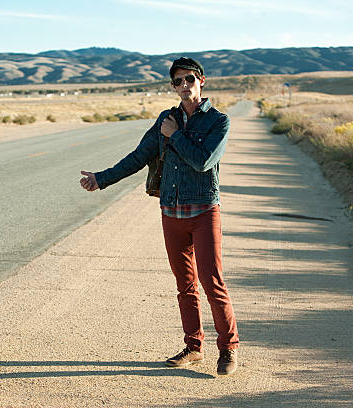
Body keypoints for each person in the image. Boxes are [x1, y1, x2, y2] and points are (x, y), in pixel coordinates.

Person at [79, 57, 239, 375]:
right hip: (171, 212)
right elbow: (139, 156)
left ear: (201, 81)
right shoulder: (165, 119)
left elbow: (204, 161)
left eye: (189, 79)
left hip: (204, 211)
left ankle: (229, 349)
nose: (183, 86)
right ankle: (194, 347)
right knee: (185, 284)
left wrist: (175, 136)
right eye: (177, 81)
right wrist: (101, 178)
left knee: (212, 282)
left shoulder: (218, 121)